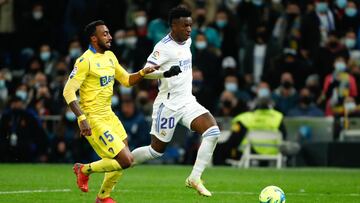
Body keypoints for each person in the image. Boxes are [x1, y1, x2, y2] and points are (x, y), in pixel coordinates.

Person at [62, 20, 180, 203]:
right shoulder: (85, 61)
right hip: (92, 118)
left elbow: (126, 80)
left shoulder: (110, 56)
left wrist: (142, 72)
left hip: (108, 115)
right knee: (125, 160)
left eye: (109, 33)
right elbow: (68, 91)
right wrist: (82, 118)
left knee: (125, 158)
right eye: (105, 34)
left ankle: (103, 197)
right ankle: (83, 169)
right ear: (94, 39)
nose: (110, 37)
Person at [131, 6, 220, 197]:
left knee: (212, 131)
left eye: (190, 25)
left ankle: (195, 178)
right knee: (156, 151)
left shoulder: (187, 42)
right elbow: (145, 72)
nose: (189, 29)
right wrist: (165, 73)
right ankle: (122, 161)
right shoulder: (163, 48)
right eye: (185, 25)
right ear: (173, 26)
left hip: (187, 101)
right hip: (168, 105)